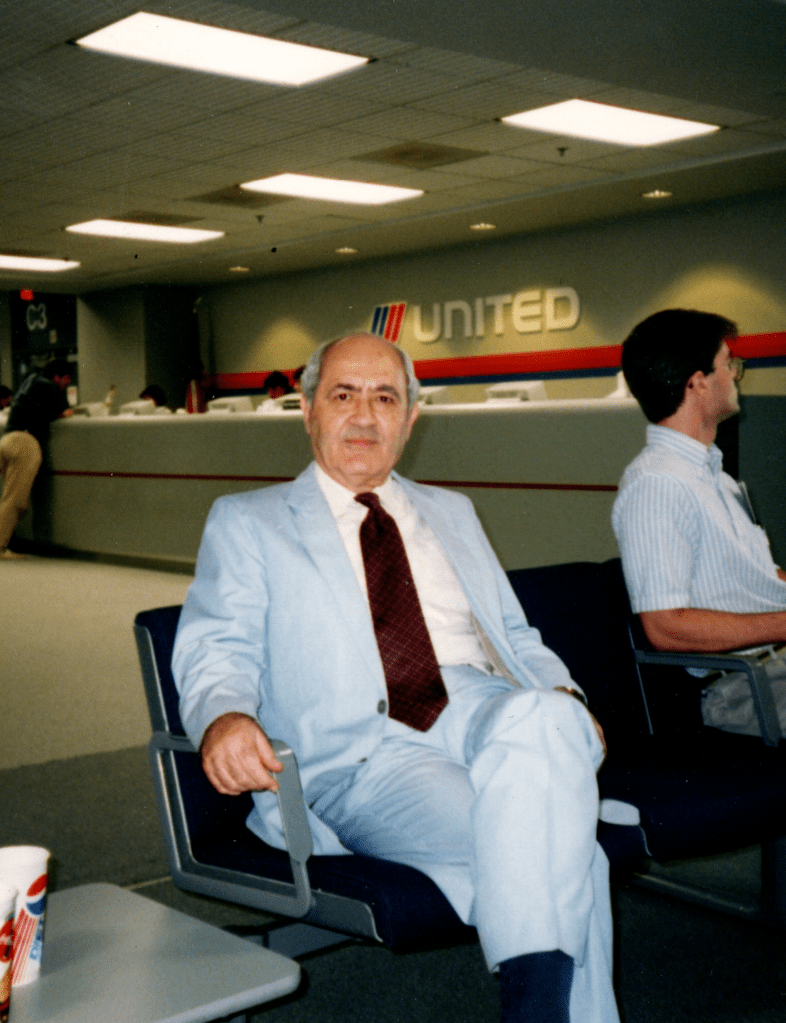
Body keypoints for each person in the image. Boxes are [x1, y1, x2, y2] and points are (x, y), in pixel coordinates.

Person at [173, 333, 617, 1023]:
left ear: (411, 417)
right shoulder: (248, 521)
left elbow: (517, 635)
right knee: (569, 851)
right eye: (342, 394)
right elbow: (214, 646)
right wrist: (224, 715)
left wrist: (562, 694)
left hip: (482, 709)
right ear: (307, 411)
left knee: (549, 715)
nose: (364, 415)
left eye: (386, 397)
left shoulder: (452, 510)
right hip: (364, 750)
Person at [612, 309, 786, 748]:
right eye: (729, 364)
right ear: (697, 381)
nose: (736, 376)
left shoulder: (714, 477)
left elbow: (760, 576)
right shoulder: (657, 484)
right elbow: (665, 628)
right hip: (740, 686)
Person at [0, 358, 74, 561]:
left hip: (7, 441)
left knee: (13, 499)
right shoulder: (51, 388)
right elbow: (66, 413)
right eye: (66, 379)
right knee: (16, 501)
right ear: (56, 377)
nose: (67, 383)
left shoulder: (31, 380)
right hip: (25, 445)